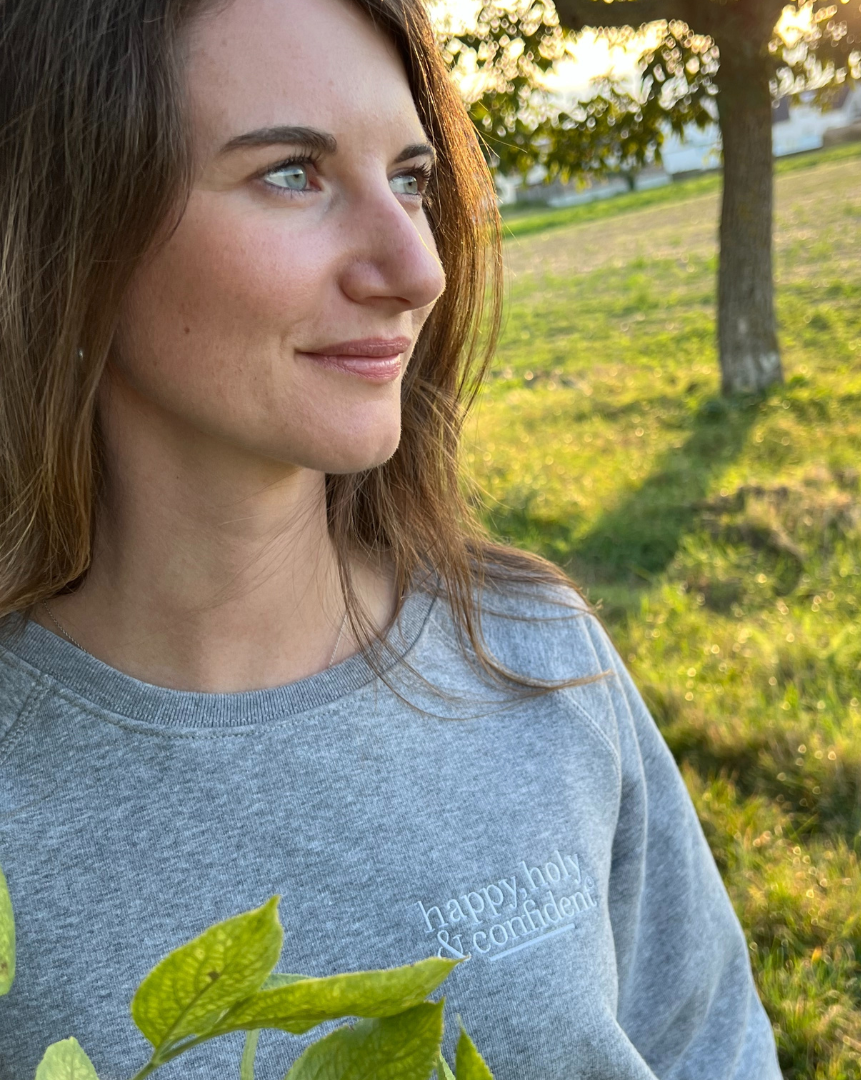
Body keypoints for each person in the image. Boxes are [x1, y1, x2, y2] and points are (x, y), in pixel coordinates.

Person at [0, 0, 782, 1075]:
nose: (417, 270)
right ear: (71, 226)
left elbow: (713, 1047)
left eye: (412, 180)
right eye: (292, 173)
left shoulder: (536, 656)